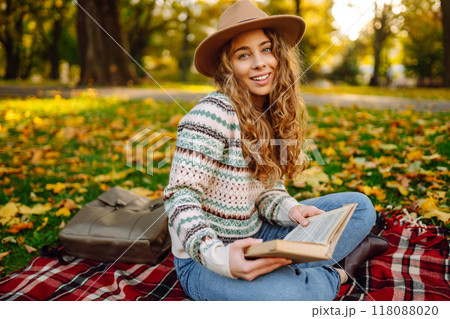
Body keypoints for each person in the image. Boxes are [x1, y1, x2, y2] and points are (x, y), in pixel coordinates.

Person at [163, 0, 386, 301]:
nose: (260, 63)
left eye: (266, 49)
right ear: (227, 67)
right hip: (207, 259)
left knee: (359, 207)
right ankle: (338, 272)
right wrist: (218, 255)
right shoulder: (210, 115)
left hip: (259, 236)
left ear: (278, 53)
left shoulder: (270, 111)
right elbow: (180, 197)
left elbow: (268, 192)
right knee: (290, 298)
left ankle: (291, 267)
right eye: (244, 55)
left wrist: (292, 209)